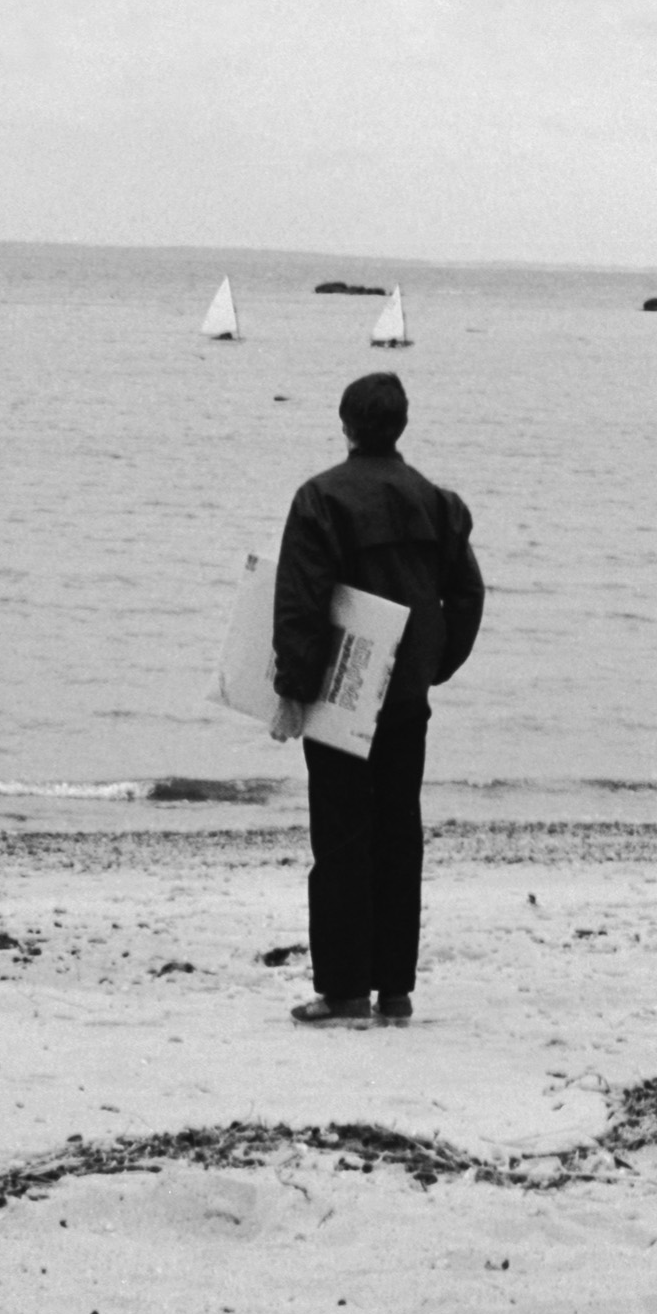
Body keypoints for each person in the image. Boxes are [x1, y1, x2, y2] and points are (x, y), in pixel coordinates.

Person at [268, 371, 484, 1027]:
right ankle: (394, 991)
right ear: (401, 424)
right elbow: (468, 597)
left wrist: (292, 690)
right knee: (398, 834)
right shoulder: (438, 504)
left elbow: (301, 604)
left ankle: (342, 992)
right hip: (406, 693)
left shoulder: (320, 500)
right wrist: (433, 665)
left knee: (340, 839)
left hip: (342, 697)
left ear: (346, 424)